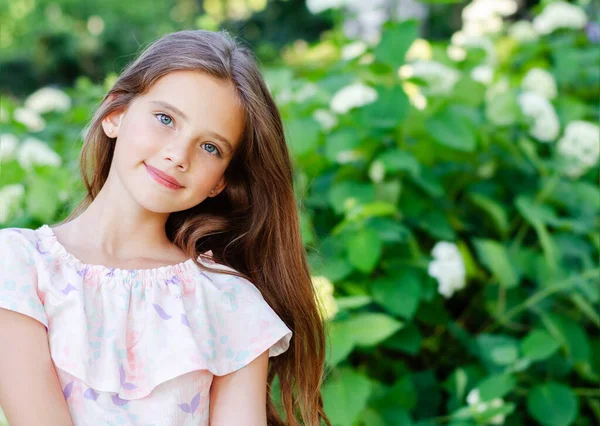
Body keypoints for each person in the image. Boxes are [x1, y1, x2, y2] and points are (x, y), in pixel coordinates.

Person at [0, 29, 331, 426]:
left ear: (221, 181)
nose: (178, 155)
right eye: (165, 119)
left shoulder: (228, 300)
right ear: (114, 114)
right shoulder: (19, 267)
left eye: (211, 147)